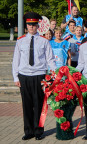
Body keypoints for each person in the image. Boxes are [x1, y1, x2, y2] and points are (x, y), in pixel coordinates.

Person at [12, 12, 56, 140]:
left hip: (39, 76)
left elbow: (50, 59)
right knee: (26, 105)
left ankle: (38, 131)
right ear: (26, 26)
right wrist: (15, 77)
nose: (31, 27)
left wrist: (54, 75)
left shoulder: (44, 41)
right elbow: (16, 60)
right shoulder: (20, 41)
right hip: (24, 76)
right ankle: (28, 131)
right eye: (29, 25)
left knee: (39, 105)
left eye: (34, 24)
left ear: (38, 26)